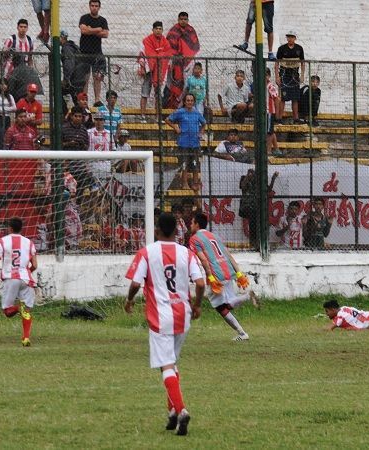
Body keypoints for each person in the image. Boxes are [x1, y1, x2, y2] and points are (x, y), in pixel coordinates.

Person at [124, 212, 205, 437]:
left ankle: (182, 411)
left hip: (160, 317)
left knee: (166, 365)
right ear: (176, 231)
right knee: (170, 363)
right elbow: (200, 283)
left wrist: (129, 300)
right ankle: (171, 413)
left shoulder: (147, 253)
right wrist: (197, 305)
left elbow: (135, 283)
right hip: (183, 315)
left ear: (157, 229)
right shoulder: (186, 253)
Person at [189, 212, 259, 341]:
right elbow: (228, 255)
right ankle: (243, 329)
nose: (190, 225)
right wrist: (239, 273)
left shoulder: (194, 239)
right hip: (227, 270)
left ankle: (242, 332)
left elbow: (204, 260)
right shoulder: (214, 236)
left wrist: (210, 277)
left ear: (197, 224)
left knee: (220, 306)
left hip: (216, 274)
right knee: (227, 304)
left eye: (192, 223)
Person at [0, 217, 39, 347]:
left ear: (10, 228)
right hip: (26, 279)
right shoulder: (29, 242)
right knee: (27, 311)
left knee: (7, 311)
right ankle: (26, 337)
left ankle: (18, 307)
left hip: (11, 278)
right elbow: (35, 265)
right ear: (20, 228)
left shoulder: (3, 241)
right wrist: (27, 271)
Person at [165, 93, 206, 191]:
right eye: (188, 100)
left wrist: (201, 133)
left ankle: (195, 184)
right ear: (184, 102)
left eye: (191, 100)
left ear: (194, 102)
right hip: (183, 143)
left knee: (195, 164)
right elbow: (167, 120)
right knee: (184, 164)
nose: (190, 102)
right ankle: (184, 183)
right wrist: (175, 126)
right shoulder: (180, 112)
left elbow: (204, 123)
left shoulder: (197, 113)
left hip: (195, 143)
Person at [137, 21, 171, 123]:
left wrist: (159, 55)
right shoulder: (146, 40)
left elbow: (168, 53)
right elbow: (143, 53)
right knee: (145, 93)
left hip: (160, 71)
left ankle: (158, 117)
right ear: (153, 30)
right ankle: (142, 116)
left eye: (160, 29)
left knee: (158, 95)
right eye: (156, 28)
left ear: (162, 30)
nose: (158, 30)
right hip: (148, 70)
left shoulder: (165, 41)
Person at [164, 12, 200, 109]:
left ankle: (183, 107)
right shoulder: (173, 31)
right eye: (181, 19)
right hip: (175, 63)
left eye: (185, 19)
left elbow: (194, 46)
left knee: (187, 85)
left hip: (188, 63)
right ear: (178, 20)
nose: (183, 21)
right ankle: (170, 108)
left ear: (187, 20)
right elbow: (168, 47)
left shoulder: (191, 31)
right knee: (172, 85)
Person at [78, 0, 109, 104]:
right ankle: (84, 100)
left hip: (97, 53)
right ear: (89, 6)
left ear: (99, 7)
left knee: (97, 77)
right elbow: (83, 30)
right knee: (85, 78)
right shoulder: (84, 18)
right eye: (92, 5)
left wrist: (90, 30)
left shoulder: (103, 20)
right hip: (84, 52)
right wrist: (98, 30)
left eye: (96, 6)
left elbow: (105, 34)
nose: (94, 7)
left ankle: (97, 100)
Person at [239, 169, 279, 250]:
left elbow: (268, 189)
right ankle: (253, 245)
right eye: (250, 173)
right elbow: (242, 186)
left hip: (258, 208)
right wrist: (247, 176)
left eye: (253, 174)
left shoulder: (259, 182)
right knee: (253, 227)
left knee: (261, 226)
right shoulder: (244, 178)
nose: (252, 175)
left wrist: (273, 178)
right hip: (248, 208)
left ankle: (260, 245)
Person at [275, 30, 304, 124]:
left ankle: (296, 118)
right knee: (283, 98)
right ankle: (279, 118)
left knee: (295, 98)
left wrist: (302, 75)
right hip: (284, 76)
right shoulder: (282, 49)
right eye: (288, 37)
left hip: (295, 76)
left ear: (295, 38)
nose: (290, 38)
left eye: (292, 37)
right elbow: (277, 63)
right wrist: (277, 77)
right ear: (287, 38)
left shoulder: (299, 49)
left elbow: (302, 63)